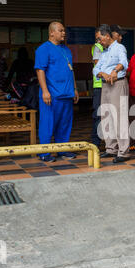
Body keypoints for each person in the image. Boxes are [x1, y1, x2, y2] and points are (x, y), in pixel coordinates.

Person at [34, 21, 79, 163]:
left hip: (67, 93)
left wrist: (75, 89)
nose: (63, 33)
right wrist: (45, 91)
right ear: (51, 32)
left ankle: (62, 149)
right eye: (61, 30)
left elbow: (71, 70)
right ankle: (44, 152)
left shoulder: (66, 50)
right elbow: (40, 70)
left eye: (64, 31)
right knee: (48, 123)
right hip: (51, 95)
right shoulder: (43, 49)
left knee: (65, 123)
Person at [93, 24, 130, 163]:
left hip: (118, 83)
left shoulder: (119, 47)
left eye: (99, 38)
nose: (98, 41)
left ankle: (123, 151)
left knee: (119, 117)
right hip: (106, 86)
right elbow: (95, 70)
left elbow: (123, 62)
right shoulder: (104, 52)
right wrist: (102, 73)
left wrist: (115, 70)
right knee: (107, 116)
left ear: (107, 36)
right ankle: (111, 149)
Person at [91, 40, 104, 148]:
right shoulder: (98, 47)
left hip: (107, 84)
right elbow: (97, 63)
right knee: (98, 115)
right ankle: (96, 143)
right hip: (99, 86)